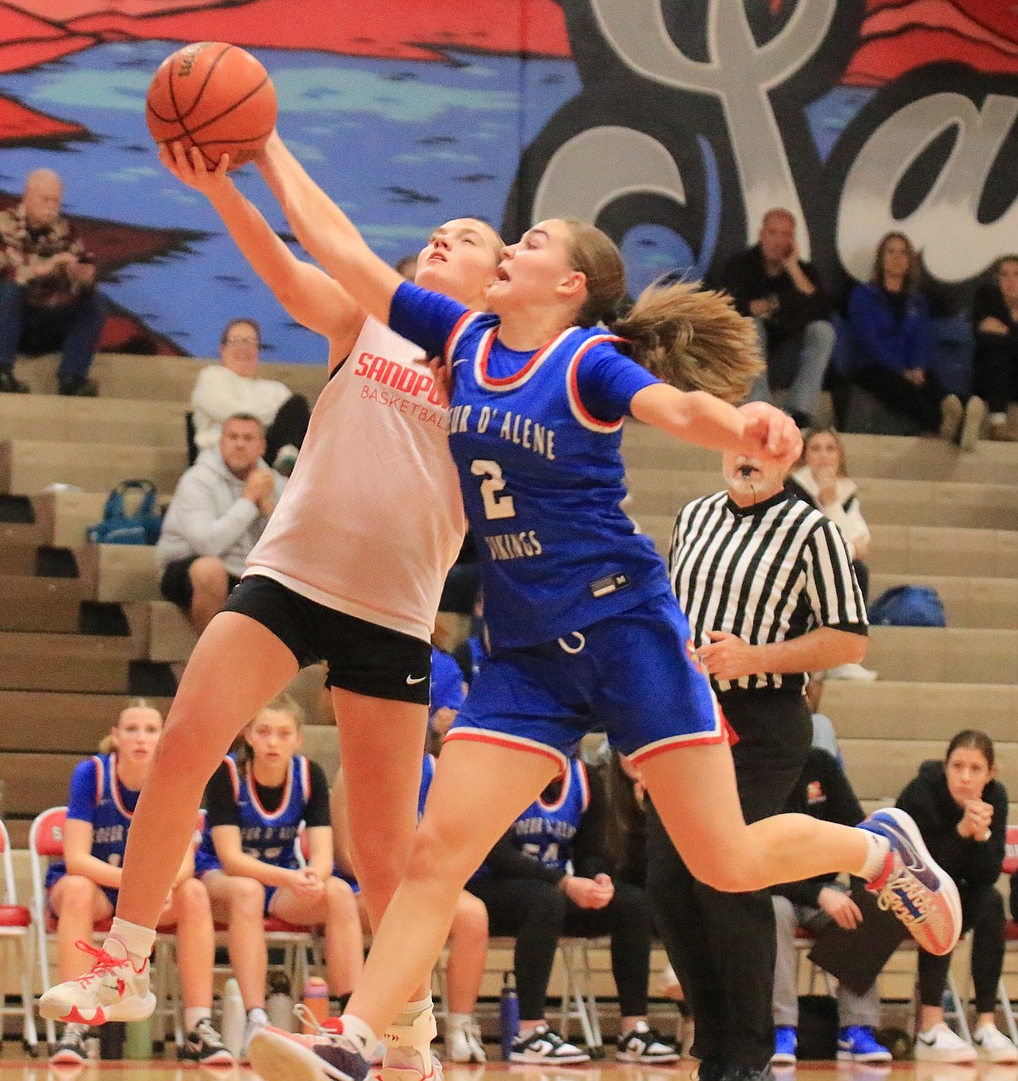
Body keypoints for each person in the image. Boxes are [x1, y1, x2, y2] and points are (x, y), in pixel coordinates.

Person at [212, 134, 962, 1081]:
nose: (512, 249)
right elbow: (348, 258)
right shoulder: (460, 336)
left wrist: (744, 422)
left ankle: (877, 846)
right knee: (436, 850)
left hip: (624, 632)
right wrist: (268, 151)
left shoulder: (589, 361)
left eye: (529, 241)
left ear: (567, 285)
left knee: (724, 858)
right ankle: (359, 1037)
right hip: (527, 656)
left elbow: (676, 410)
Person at [38, 135, 508, 1081]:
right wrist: (223, 188)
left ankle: (404, 1018)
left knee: (383, 854)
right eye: (438, 231)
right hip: (288, 579)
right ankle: (126, 961)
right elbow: (287, 264)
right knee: (180, 746)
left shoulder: (498, 372)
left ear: (500, 284)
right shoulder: (370, 322)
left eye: (465, 237)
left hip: (394, 613)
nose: (440, 238)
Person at [652, 445, 871, 1081]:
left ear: (787, 459)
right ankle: (717, 1047)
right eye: (737, 442)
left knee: (726, 877)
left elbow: (849, 636)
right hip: (689, 718)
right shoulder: (693, 516)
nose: (746, 457)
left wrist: (756, 657)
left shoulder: (813, 530)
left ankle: (746, 1057)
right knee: (670, 883)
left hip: (763, 721)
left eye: (764, 447)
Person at [45, 704, 230, 1066]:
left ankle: (199, 1026)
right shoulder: (92, 775)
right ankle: (75, 1027)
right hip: (100, 887)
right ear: (116, 736)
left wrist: (155, 890)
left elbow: (186, 864)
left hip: (149, 894)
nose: (141, 738)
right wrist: (139, 887)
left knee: (193, 893)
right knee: (78, 889)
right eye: (132, 729)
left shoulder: (174, 776)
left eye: (150, 729)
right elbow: (77, 859)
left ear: (163, 737)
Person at [467, 756, 678, 1065]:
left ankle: (633, 1030)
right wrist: (564, 882)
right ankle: (529, 1031)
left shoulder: (584, 777)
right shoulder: (504, 769)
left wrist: (597, 879)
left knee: (631, 903)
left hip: (552, 892)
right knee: (544, 899)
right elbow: (497, 854)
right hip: (491, 891)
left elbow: (589, 851)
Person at [197, 695, 362, 1060]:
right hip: (219, 878)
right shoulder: (226, 774)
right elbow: (231, 859)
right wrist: (291, 879)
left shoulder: (310, 774)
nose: (273, 742)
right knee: (247, 891)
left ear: (298, 739)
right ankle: (257, 1018)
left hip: (278, 880)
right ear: (248, 735)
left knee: (336, 891)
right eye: (264, 732)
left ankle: (354, 1022)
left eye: (283, 733)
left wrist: (313, 877)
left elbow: (322, 851)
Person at [331, 754, 490, 1064]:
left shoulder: (438, 770)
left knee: (472, 914)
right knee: (394, 903)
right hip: (364, 886)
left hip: (418, 886)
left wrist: (422, 879)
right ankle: (359, 1025)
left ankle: (459, 1027)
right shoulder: (351, 770)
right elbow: (346, 856)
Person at [897, 730, 1016, 1064]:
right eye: (957, 766)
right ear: (945, 766)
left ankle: (986, 1024)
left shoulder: (996, 797)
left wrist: (982, 837)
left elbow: (987, 875)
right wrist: (962, 831)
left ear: (990, 773)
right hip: (906, 892)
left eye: (976, 769)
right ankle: (931, 1027)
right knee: (942, 903)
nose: (965, 777)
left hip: (955, 892)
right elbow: (919, 868)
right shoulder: (921, 793)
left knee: (991, 901)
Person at [769, 747, 893, 1066]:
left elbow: (860, 834)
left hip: (822, 888)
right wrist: (818, 895)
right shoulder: (756, 766)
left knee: (862, 911)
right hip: (771, 886)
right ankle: (781, 1029)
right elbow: (757, 864)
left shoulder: (820, 763)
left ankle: (856, 1029)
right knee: (776, 911)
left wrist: (860, 892)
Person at [847, 231, 985, 449]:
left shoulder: (917, 301)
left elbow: (922, 339)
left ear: (910, 260)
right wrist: (901, 370)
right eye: (890, 251)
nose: (896, 258)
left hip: (910, 367)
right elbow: (869, 341)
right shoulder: (863, 296)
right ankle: (947, 427)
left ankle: (965, 409)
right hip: (873, 368)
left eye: (903, 252)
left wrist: (918, 367)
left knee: (931, 382)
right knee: (905, 390)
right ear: (880, 258)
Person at [0, 168, 104, 396]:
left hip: (42, 318)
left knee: (95, 303)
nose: (51, 207)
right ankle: (3, 374)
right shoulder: (1, 223)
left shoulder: (65, 230)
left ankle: (72, 378)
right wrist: (44, 268)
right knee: (8, 290)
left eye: (56, 201)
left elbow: (84, 269)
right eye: (45, 199)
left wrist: (82, 276)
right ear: (28, 196)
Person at [156, 413, 287, 634]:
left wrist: (267, 510)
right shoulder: (197, 480)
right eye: (233, 437)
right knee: (209, 570)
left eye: (248, 438)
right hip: (188, 565)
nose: (239, 444)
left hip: (249, 574)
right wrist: (248, 501)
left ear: (262, 446)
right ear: (221, 444)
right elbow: (208, 545)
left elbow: (292, 549)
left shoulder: (278, 485)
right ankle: (210, 657)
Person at [716, 208, 833, 428]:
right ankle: (760, 409)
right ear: (761, 235)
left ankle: (801, 413)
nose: (778, 241)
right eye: (773, 233)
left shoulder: (803, 272)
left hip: (786, 357)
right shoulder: (741, 265)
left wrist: (793, 269)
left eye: (785, 235)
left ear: (793, 239)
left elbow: (821, 310)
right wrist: (779, 303)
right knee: (751, 325)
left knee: (823, 331)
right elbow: (728, 307)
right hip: (748, 360)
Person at [788, 426, 876, 682]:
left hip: (827, 567)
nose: (824, 456)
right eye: (815, 449)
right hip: (797, 568)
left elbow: (862, 538)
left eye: (830, 448)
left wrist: (833, 502)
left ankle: (845, 656)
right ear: (804, 456)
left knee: (857, 572)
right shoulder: (792, 490)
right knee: (847, 568)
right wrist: (848, 546)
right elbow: (819, 543)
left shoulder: (845, 491)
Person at [190, 318, 312, 472]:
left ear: (258, 351)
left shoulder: (276, 389)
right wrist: (276, 416)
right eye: (236, 341)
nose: (243, 347)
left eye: (250, 341)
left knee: (297, 404)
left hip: (267, 457)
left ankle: (287, 463)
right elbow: (235, 417)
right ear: (223, 350)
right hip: (222, 459)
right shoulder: (211, 377)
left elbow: (297, 421)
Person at [971, 255, 1018, 442]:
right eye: (1004, 275)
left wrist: (1006, 332)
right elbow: (983, 337)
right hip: (990, 379)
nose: (1010, 281)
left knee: (1000, 349)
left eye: (1016, 274)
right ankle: (997, 423)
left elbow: (996, 337)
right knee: (997, 355)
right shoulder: (987, 299)